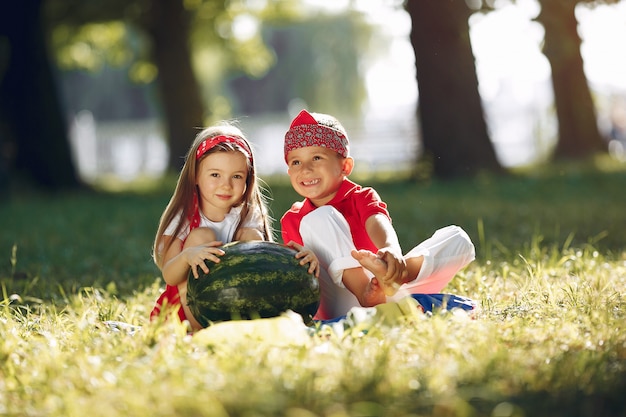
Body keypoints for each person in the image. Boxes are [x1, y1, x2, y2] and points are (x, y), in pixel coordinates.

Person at [281, 109, 476, 320]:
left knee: (458, 238)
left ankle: (395, 275)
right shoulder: (293, 219)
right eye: (296, 162)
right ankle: (367, 292)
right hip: (341, 303)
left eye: (316, 158)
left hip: (385, 292)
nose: (306, 169)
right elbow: (295, 277)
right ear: (289, 172)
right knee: (319, 217)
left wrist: (391, 250)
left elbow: (377, 221)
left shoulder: (360, 196)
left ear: (345, 166)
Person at [150, 122, 319, 331]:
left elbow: (267, 266)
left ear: (248, 180)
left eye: (236, 176)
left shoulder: (246, 216)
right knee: (200, 237)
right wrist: (188, 256)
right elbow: (169, 275)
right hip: (185, 312)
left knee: (250, 235)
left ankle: (250, 323)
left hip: (235, 303)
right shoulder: (184, 217)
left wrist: (299, 260)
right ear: (195, 175)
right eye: (215, 175)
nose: (226, 185)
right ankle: (199, 333)